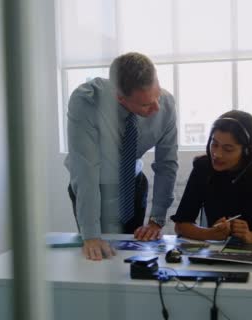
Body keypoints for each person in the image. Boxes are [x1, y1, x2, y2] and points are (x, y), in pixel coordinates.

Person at [64, 52, 178, 260]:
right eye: (145, 105)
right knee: (97, 256)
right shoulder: (86, 102)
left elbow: (166, 165)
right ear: (120, 97)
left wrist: (156, 220)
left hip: (133, 185)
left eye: (157, 95)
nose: (156, 107)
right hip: (94, 185)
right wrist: (91, 235)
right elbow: (85, 170)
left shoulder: (166, 104)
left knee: (131, 255)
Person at [170, 110, 252, 243]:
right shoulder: (203, 167)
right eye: (214, 144)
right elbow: (181, 225)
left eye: (228, 149)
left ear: (247, 150)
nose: (217, 154)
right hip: (218, 254)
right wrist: (210, 234)